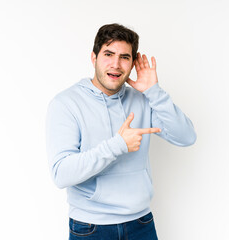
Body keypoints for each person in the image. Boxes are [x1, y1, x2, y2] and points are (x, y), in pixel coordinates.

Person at [46, 23, 196, 240]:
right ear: (94, 57)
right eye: (108, 54)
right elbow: (61, 174)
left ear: (132, 63)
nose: (116, 64)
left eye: (124, 57)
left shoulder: (142, 99)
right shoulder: (66, 103)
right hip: (91, 227)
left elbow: (186, 137)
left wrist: (154, 92)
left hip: (141, 223)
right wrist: (118, 145)